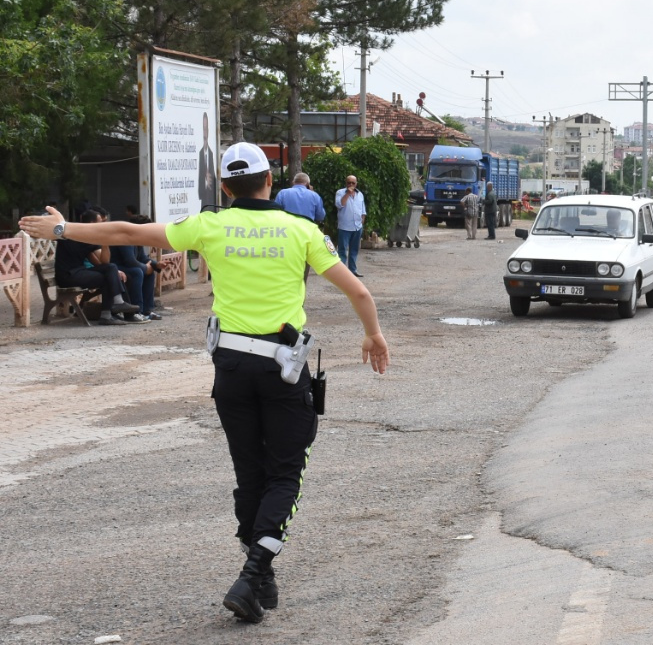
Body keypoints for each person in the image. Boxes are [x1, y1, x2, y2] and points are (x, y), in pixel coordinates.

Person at [19, 141, 390, 625]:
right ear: (269, 180)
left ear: (224, 186)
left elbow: (131, 230)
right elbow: (357, 289)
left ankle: (259, 579)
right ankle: (253, 572)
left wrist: (63, 228)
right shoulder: (299, 230)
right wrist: (373, 335)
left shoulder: (209, 225)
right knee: (285, 475)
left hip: (231, 368)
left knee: (249, 472)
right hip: (282, 368)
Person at [53, 209, 142, 322]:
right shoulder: (71, 233)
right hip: (67, 275)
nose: (103, 225)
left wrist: (105, 243)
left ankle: (119, 309)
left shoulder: (91, 238)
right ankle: (111, 313)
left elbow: (103, 263)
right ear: (92, 224)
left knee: (112, 270)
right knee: (108, 277)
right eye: (100, 222)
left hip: (79, 272)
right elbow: (54, 233)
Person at [277, 173, 326, 281]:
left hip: (286, 233)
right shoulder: (314, 196)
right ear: (308, 184)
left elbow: (275, 212)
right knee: (304, 264)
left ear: (294, 182)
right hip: (306, 234)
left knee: (287, 263)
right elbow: (321, 215)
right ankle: (301, 285)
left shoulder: (283, 193)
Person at [113, 216, 162, 321]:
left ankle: (147, 310)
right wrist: (145, 268)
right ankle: (136, 311)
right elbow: (129, 260)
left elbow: (142, 258)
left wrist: (156, 265)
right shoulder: (125, 238)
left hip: (127, 267)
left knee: (149, 273)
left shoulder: (137, 238)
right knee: (137, 272)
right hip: (116, 268)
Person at [334, 174, 366, 276]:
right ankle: (341, 272)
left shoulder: (360, 194)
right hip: (345, 226)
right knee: (342, 250)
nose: (351, 184)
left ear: (356, 184)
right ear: (346, 183)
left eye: (353, 183)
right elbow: (339, 204)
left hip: (357, 227)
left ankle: (353, 270)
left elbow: (363, 209)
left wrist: (362, 220)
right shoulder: (340, 192)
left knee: (354, 250)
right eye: (349, 182)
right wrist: (347, 193)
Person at [198, 112, 217, 212]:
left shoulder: (211, 153)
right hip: (204, 201)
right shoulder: (200, 153)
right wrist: (205, 182)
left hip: (212, 201)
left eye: (206, 129)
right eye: (203, 129)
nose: (205, 132)